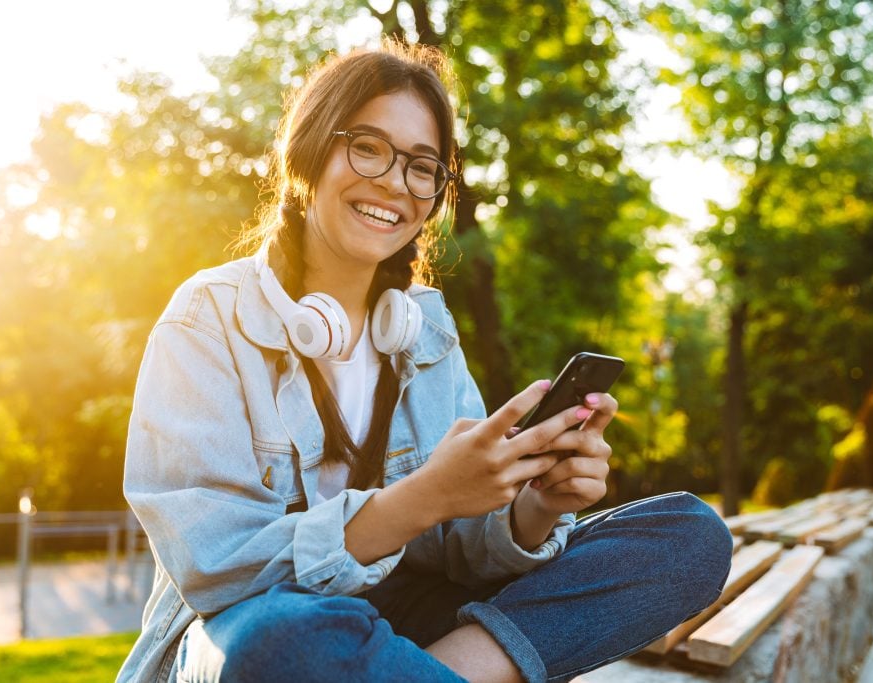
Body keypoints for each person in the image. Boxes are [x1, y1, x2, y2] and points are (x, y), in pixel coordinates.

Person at [117, 38, 732, 683]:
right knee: (281, 643)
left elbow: (459, 550)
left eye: (421, 166)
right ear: (310, 151)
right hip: (252, 631)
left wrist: (535, 508)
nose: (393, 183)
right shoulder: (208, 318)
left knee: (688, 537)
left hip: (398, 622)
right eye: (368, 147)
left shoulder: (425, 328)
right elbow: (219, 567)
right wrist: (423, 498)